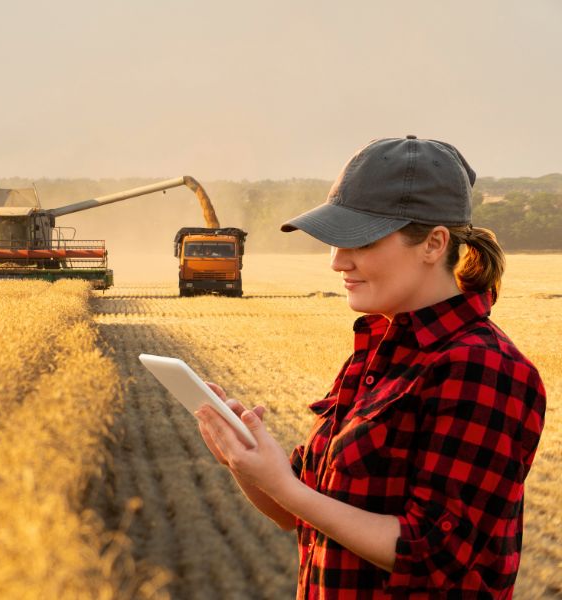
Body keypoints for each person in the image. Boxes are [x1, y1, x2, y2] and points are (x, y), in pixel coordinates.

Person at [194, 136, 546, 598]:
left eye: (360, 239)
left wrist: (285, 485)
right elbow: (299, 511)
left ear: (434, 244)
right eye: (334, 241)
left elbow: (435, 555)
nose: (338, 261)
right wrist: (244, 461)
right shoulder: (381, 350)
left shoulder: (484, 367)